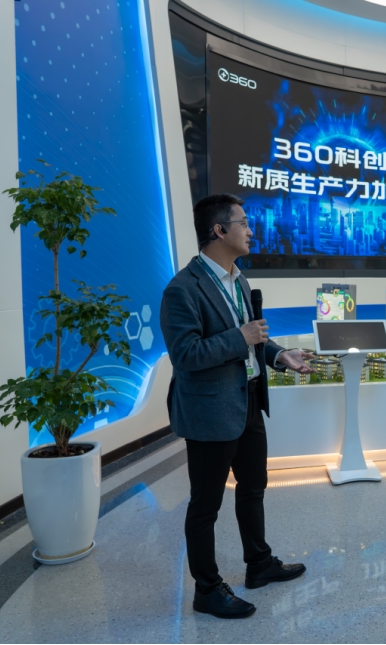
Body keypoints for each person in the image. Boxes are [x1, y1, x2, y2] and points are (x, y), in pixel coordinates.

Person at [160, 194, 318, 619]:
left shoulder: (239, 281)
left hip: (247, 399)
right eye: (243, 223)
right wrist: (240, 338)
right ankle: (207, 590)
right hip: (209, 411)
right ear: (219, 230)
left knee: (253, 488)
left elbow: (254, 338)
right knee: (205, 505)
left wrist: (279, 355)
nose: (251, 231)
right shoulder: (182, 289)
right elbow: (186, 355)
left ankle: (259, 564)